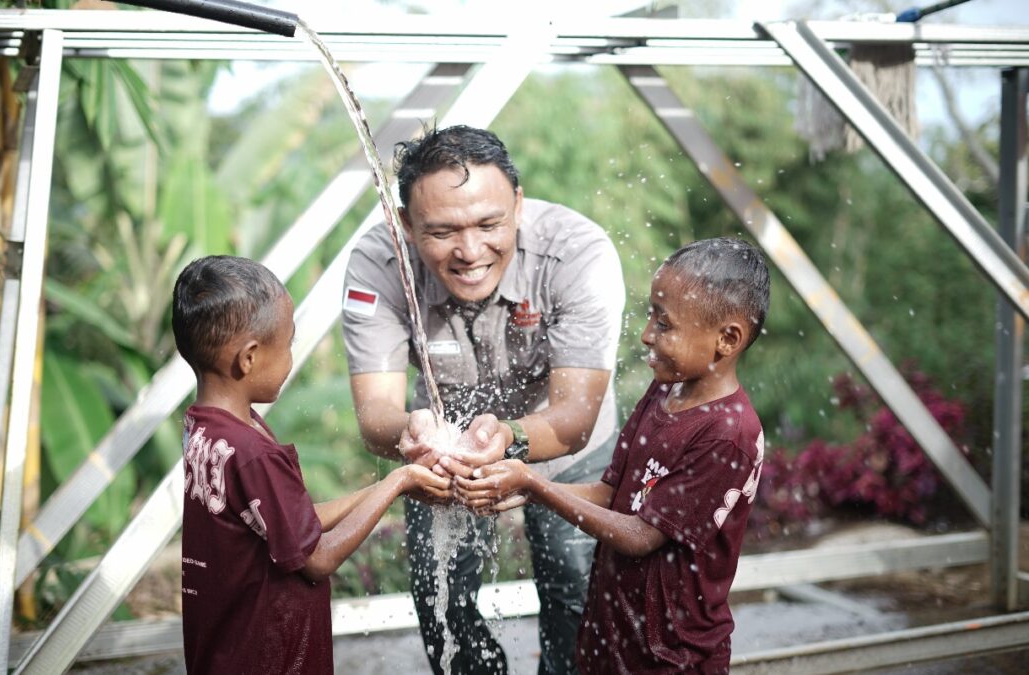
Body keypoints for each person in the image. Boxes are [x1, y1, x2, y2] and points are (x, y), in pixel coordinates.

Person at [342, 125, 625, 674]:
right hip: (442, 453)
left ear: (517, 204)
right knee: (439, 592)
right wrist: (412, 432)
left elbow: (574, 419)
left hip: (565, 449)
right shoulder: (378, 265)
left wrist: (512, 439)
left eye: (490, 224)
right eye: (443, 232)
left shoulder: (576, 253)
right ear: (405, 224)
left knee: (573, 579)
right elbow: (375, 415)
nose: (470, 252)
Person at [453, 237, 770, 674]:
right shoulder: (665, 391)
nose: (646, 334)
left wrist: (535, 485)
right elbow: (610, 492)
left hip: (673, 654)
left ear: (727, 338)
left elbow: (641, 536)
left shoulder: (727, 433)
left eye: (665, 324)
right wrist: (520, 492)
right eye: (650, 316)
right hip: (612, 632)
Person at [173, 255, 450, 675]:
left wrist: (395, 485)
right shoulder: (253, 452)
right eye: (286, 346)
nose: (289, 359)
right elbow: (316, 558)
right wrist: (398, 481)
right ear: (248, 358)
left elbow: (294, 524)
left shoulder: (208, 430)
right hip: (271, 661)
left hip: (226, 651)